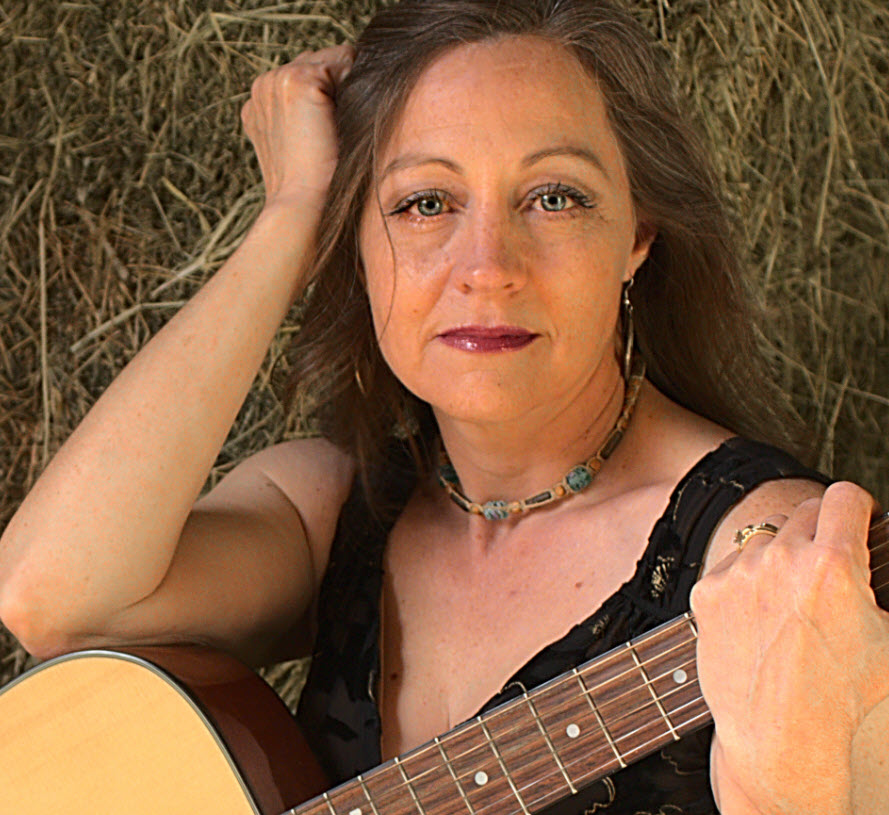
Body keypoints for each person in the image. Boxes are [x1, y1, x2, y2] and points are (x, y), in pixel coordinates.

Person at [0, 1, 886, 812]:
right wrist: (293, 212)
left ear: (637, 235)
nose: (487, 267)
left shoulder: (780, 562)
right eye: (423, 204)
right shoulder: (333, 510)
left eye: (554, 197)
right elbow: (51, 599)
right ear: (353, 245)